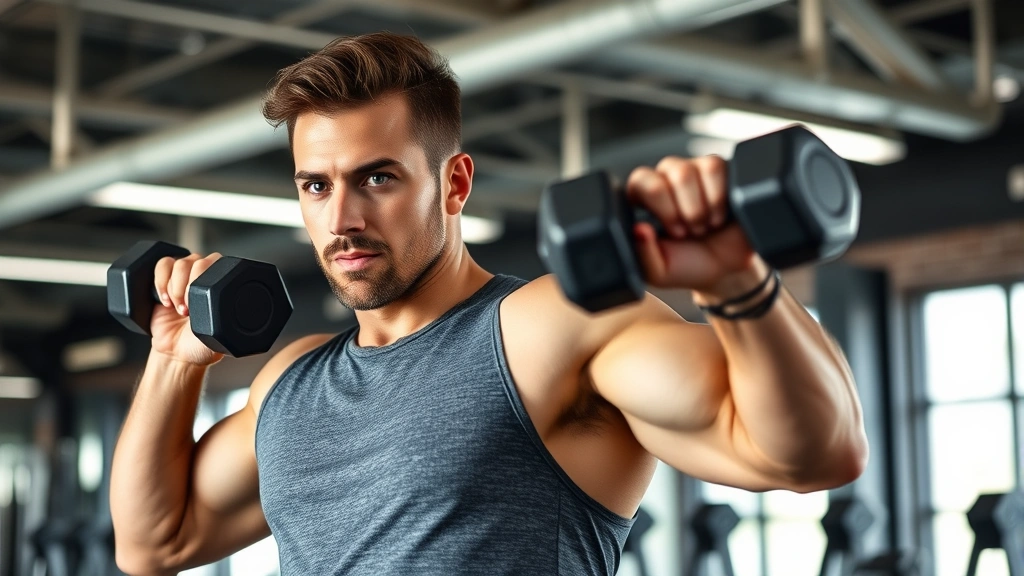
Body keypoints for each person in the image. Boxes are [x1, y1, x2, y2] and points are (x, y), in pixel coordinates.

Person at [109, 32, 868, 576]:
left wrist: (736, 283)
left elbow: (812, 453)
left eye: (377, 178)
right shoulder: (292, 379)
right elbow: (154, 544)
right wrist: (174, 360)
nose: (341, 218)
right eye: (317, 185)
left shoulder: (550, 328)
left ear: (455, 183)